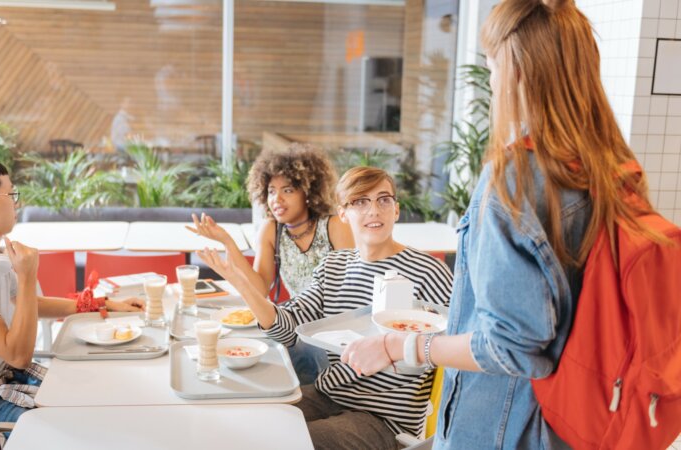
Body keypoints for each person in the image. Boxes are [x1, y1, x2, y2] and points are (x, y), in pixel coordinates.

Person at [343, 1, 664, 448]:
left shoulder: (515, 180)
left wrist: (401, 347)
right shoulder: (611, 169)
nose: (491, 81)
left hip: (502, 428)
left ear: (515, 68)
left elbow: (511, 346)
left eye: (491, 64)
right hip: (580, 422)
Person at [198, 166, 453, 449]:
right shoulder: (334, 266)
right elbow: (288, 329)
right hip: (328, 393)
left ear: (396, 210)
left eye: (383, 200)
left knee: (286, 442)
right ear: (343, 214)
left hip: (384, 418)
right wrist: (240, 283)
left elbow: (454, 345)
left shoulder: (428, 272)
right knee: (250, 424)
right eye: (360, 201)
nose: (374, 211)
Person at [0, 157, 144, 423]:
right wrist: (26, 276)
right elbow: (18, 355)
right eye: (11, 194)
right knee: (83, 423)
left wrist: (100, 304)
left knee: (106, 395)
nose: (17, 202)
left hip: (5, 379)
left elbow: (31, 305)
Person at [187, 143, 354, 383]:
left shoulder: (335, 226)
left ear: (308, 191)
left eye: (287, 190)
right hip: (295, 327)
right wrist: (228, 242)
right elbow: (260, 288)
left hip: (334, 333)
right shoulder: (271, 230)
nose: (277, 199)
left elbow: (352, 289)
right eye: (271, 191)